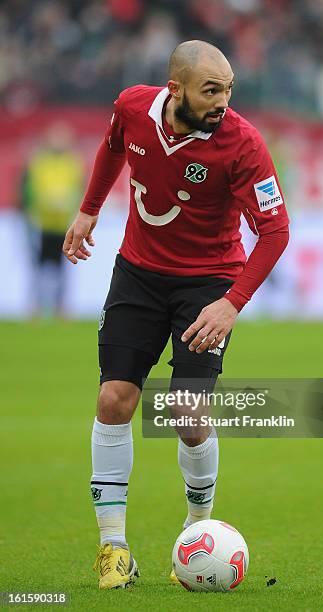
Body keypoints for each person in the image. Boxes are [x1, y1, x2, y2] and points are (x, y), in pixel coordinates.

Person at [63, 40, 289, 590]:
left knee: (187, 414)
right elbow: (113, 146)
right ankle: (112, 549)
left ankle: (197, 528)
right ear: (175, 89)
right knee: (114, 398)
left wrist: (232, 302)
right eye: (211, 90)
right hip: (138, 273)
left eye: (228, 89)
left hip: (208, 283)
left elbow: (275, 232)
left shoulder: (243, 144)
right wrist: (90, 209)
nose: (223, 102)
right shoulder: (134, 107)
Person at [22, 122, 83, 318]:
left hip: (64, 224)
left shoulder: (73, 163)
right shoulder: (38, 161)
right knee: (38, 265)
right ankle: (37, 306)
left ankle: (60, 307)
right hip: (41, 223)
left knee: (63, 267)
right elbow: (29, 190)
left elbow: (79, 190)